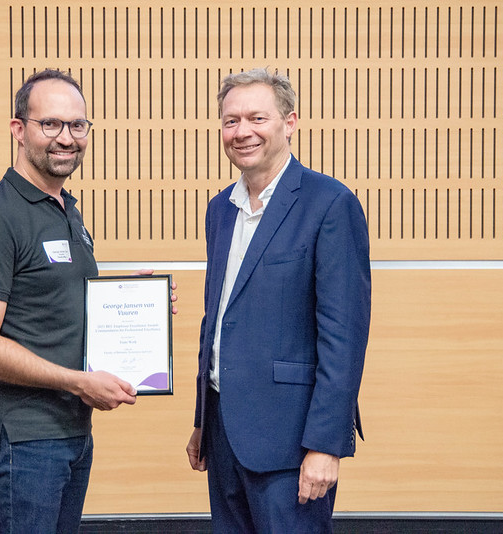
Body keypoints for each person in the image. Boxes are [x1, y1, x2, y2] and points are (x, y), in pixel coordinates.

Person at [0, 69, 175, 533]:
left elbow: (55, 305)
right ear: (19, 129)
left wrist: (138, 302)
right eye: (50, 124)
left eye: (77, 125)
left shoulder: (66, 210)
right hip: (23, 439)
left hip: (70, 432)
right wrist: (78, 382)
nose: (66, 138)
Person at [185, 68, 371, 533]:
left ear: (289, 122)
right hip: (224, 434)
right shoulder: (219, 209)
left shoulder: (329, 203)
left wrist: (327, 445)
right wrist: (203, 420)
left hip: (292, 440)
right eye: (230, 121)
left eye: (256, 118)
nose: (241, 132)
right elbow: (220, 319)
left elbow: (342, 336)